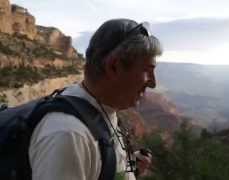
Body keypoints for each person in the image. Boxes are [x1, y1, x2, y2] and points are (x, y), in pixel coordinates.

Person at [28, 18, 162, 180]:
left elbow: (100, 165)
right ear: (114, 67)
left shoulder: (103, 108)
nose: (153, 83)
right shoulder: (69, 137)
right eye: (148, 70)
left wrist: (131, 168)